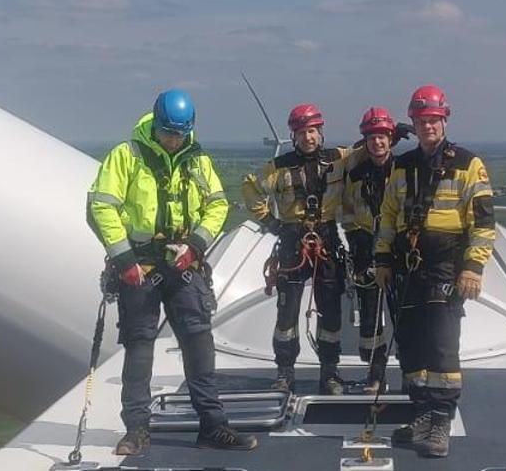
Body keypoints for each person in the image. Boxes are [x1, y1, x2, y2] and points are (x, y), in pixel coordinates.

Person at [86, 88, 257, 455]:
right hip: (140, 266)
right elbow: (101, 207)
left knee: (199, 343)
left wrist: (195, 244)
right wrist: (124, 260)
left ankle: (213, 425)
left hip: (183, 264)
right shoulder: (127, 156)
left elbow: (217, 205)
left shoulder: (196, 160)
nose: (173, 140)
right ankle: (136, 430)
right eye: (168, 133)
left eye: (179, 134)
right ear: (156, 125)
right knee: (140, 347)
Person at [375, 85, 495, 459]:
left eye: (434, 120)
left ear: (444, 120)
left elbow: (483, 221)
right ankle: (422, 413)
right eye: (422, 120)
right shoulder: (404, 166)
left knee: (442, 346)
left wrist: (473, 267)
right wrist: (381, 259)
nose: (428, 126)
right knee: (411, 344)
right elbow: (389, 215)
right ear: (413, 121)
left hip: (446, 266)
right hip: (407, 268)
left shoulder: (467, 163)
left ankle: (440, 418)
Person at [242, 103, 350, 394]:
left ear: (320, 132)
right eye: (302, 132)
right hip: (292, 241)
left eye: (312, 131)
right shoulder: (278, 168)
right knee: (287, 313)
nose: (308, 137)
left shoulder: (339, 158)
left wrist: (386, 134)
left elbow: (369, 152)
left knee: (330, 311)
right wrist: (272, 224)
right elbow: (251, 189)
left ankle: (329, 372)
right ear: (293, 135)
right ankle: (285, 372)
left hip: (326, 239)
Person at [339, 106, 403, 394]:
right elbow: (349, 210)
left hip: (398, 252)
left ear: (391, 139)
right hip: (366, 249)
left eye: (383, 137)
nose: (378, 142)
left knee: (403, 314)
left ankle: (412, 374)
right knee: (370, 317)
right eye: (372, 137)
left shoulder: (403, 170)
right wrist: (356, 241)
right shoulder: (355, 173)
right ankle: (376, 375)